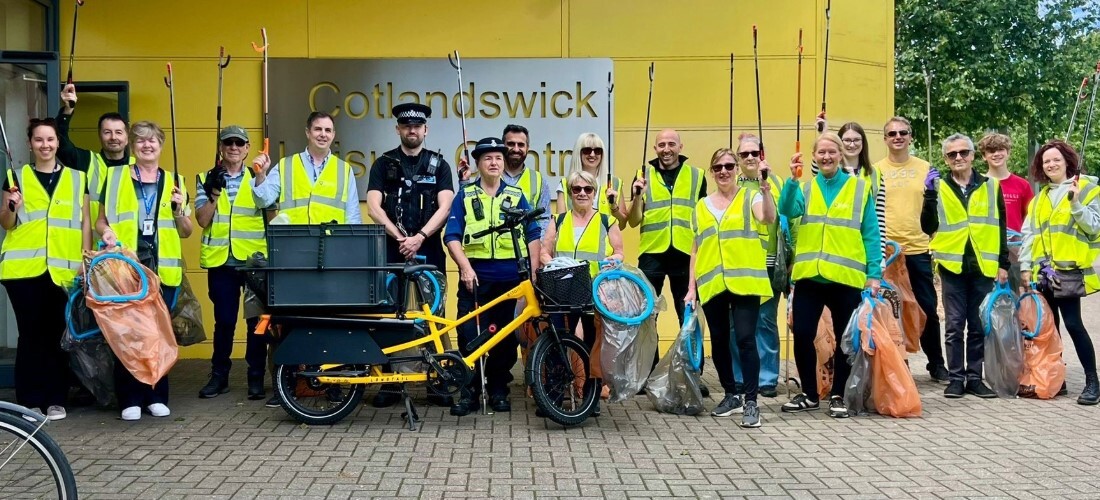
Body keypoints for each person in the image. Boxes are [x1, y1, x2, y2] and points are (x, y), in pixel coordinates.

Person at [780, 132, 882, 419]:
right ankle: (810, 395)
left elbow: (871, 234)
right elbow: (787, 210)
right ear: (814, 156)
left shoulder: (860, 188)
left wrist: (873, 274)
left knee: (845, 339)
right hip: (810, 276)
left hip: (845, 277)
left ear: (840, 155)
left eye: (831, 152)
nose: (826, 157)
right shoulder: (806, 187)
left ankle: (838, 394)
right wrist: (791, 181)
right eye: (821, 152)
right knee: (802, 334)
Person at [97, 121, 193, 421]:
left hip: (163, 269)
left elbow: (187, 231)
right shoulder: (114, 177)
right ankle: (129, 398)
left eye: (153, 141)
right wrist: (107, 234)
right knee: (127, 333)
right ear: (133, 146)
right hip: (126, 266)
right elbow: (101, 220)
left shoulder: (176, 181)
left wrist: (179, 210)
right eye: (140, 141)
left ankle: (155, 395)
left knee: (157, 334)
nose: (147, 146)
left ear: (161, 145)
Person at [0, 118, 91, 421]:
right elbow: (7, 223)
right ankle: (29, 400)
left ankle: (55, 399)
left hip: (63, 270)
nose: (45, 145)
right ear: (30, 144)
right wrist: (10, 205)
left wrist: (85, 259)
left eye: (50, 139)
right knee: (30, 335)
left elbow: (84, 224)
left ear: (57, 142)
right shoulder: (16, 177)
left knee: (58, 335)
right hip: (24, 270)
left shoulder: (78, 178)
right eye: (39, 140)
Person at [365, 102, 455, 408]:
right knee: (393, 316)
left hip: (428, 252)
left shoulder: (439, 165)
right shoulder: (384, 164)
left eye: (417, 126)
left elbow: (445, 207)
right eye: (406, 126)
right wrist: (399, 236)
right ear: (398, 129)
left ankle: (437, 380)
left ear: (425, 130)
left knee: (434, 316)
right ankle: (391, 383)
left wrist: (419, 237)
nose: (412, 130)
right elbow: (374, 205)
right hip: (393, 251)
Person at [444, 137, 542, 416]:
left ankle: (498, 387)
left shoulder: (516, 195)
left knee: (505, 338)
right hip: (475, 279)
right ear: (478, 164)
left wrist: (533, 271)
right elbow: (451, 236)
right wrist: (464, 266)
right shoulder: (464, 195)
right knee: (468, 336)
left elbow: (533, 233)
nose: (494, 162)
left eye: (498, 158)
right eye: (487, 158)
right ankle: (470, 390)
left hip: (509, 280)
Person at [684, 148, 775, 427]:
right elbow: (696, 249)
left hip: (745, 281)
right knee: (720, 341)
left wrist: (767, 189)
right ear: (711, 173)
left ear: (736, 168)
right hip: (712, 283)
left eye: (728, 166)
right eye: (717, 167)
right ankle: (731, 394)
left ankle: (751, 402)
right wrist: (691, 288)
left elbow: (767, 218)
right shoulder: (701, 206)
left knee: (746, 339)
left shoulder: (752, 196)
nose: (723, 171)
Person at [921, 133, 1009, 399]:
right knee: (955, 325)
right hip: (952, 265)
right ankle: (956, 378)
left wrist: (1003, 264)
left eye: (963, 153)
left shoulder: (991, 186)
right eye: (952, 154)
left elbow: (1001, 227)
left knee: (979, 325)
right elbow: (927, 227)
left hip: (983, 264)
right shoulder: (938, 186)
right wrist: (928, 195)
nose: (958, 158)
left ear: (972, 155)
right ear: (946, 159)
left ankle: (975, 378)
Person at [627, 129, 708, 394]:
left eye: (671, 144)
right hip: (652, 252)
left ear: (680, 146)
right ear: (654, 148)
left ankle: (691, 372)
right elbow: (634, 220)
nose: (666, 149)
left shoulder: (697, 176)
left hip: (686, 253)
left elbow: (704, 214)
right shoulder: (642, 176)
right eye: (661, 144)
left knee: (688, 314)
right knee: (647, 316)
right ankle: (648, 375)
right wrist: (637, 194)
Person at [1019, 140, 1100, 405]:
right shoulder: (1040, 197)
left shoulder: (1086, 188)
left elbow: (1093, 228)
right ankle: (1056, 378)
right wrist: (1025, 267)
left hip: (1069, 270)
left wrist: (1076, 204)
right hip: (1044, 272)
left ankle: (1092, 382)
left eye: (1056, 159)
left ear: (1067, 161)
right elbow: (1029, 233)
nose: (1051, 165)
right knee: (1050, 327)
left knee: (1074, 324)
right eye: (1046, 162)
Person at [194, 126, 269, 401]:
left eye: (239, 143)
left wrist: (261, 179)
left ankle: (256, 378)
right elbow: (202, 220)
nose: (234, 147)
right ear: (221, 147)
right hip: (221, 261)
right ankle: (219, 377)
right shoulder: (205, 178)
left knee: (255, 323)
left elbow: (271, 215)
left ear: (248, 148)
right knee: (224, 321)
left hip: (253, 261)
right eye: (228, 143)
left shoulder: (258, 178)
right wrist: (213, 193)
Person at [873, 116, 947, 383]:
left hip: (917, 248)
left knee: (926, 307)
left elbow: (934, 210)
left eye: (903, 132)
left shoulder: (925, 168)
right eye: (891, 133)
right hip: (886, 250)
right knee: (890, 310)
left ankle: (936, 364)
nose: (897, 137)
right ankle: (896, 363)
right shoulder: (875, 170)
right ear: (885, 139)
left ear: (911, 136)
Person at [728, 134, 783, 398]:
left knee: (766, 322)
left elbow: (789, 222)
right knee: (737, 324)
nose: (750, 157)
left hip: (769, 261)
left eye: (754, 152)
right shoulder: (731, 184)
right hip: (739, 263)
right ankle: (740, 377)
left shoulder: (777, 182)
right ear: (737, 160)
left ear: (763, 154)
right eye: (744, 154)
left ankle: (768, 378)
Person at [251, 111, 361, 224]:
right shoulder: (285, 166)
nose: (323, 134)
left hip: (332, 241)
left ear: (333, 135)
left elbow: (353, 217)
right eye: (318, 129)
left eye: (328, 130)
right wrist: (260, 175)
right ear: (308, 132)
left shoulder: (345, 170)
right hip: (294, 240)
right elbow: (262, 202)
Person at [57, 84, 135, 223]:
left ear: (127, 137)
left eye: (118, 132)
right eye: (107, 132)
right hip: (94, 242)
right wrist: (68, 110)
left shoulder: (139, 167)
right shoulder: (87, 161)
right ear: (99, 135)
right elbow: (59, 143)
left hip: (129, 243)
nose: (113, 137)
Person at [978, 132, 1033, 290]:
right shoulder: (978, 184)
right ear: (984, 156)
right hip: (986, 250)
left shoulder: (1022, 185)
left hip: (1014, 250)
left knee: (1016, 299)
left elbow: (1030, 221)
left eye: (1000, 149)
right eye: (991, 151)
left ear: (1008, 152)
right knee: (987, 302)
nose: (996, 154)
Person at [555, 133, 627, 229]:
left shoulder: (614, 183)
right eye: (587, 150)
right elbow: (559, 224)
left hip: (604, 242)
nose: (592, 154)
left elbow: (622, 225)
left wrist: (613, 206)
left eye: (597, 151)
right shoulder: (565, 183)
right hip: (574, 241)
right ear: (579, 153)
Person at [502, 124, 551, 232]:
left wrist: (539, 246)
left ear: (527, 148)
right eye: (511, 144)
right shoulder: (489, 176)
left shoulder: (538, 180)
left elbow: (544, 219)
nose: (515, 149)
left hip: (527, 246)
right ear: (502, 146)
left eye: (520, 145)